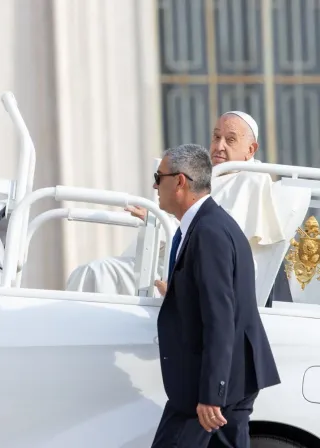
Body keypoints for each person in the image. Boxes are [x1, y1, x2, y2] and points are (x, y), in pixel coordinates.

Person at [66, 111, 289, 302]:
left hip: (190, 272)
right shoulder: (208, 174)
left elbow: (216, 240)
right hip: (165, 259)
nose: (219, 146)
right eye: (216, 137)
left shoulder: (251, 180)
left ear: (251, 149)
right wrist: (154, 221)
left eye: (230, 140)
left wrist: (158, 224)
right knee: (92, 271)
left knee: (97, 273)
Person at [151, 143, 280, 447]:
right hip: (224, 382)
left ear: (180, 181)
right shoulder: (209, 223)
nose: (155, 186)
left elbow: (221, 318)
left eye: (159, 177)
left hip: (214, 389)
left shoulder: (208, 231)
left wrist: (212, 394)